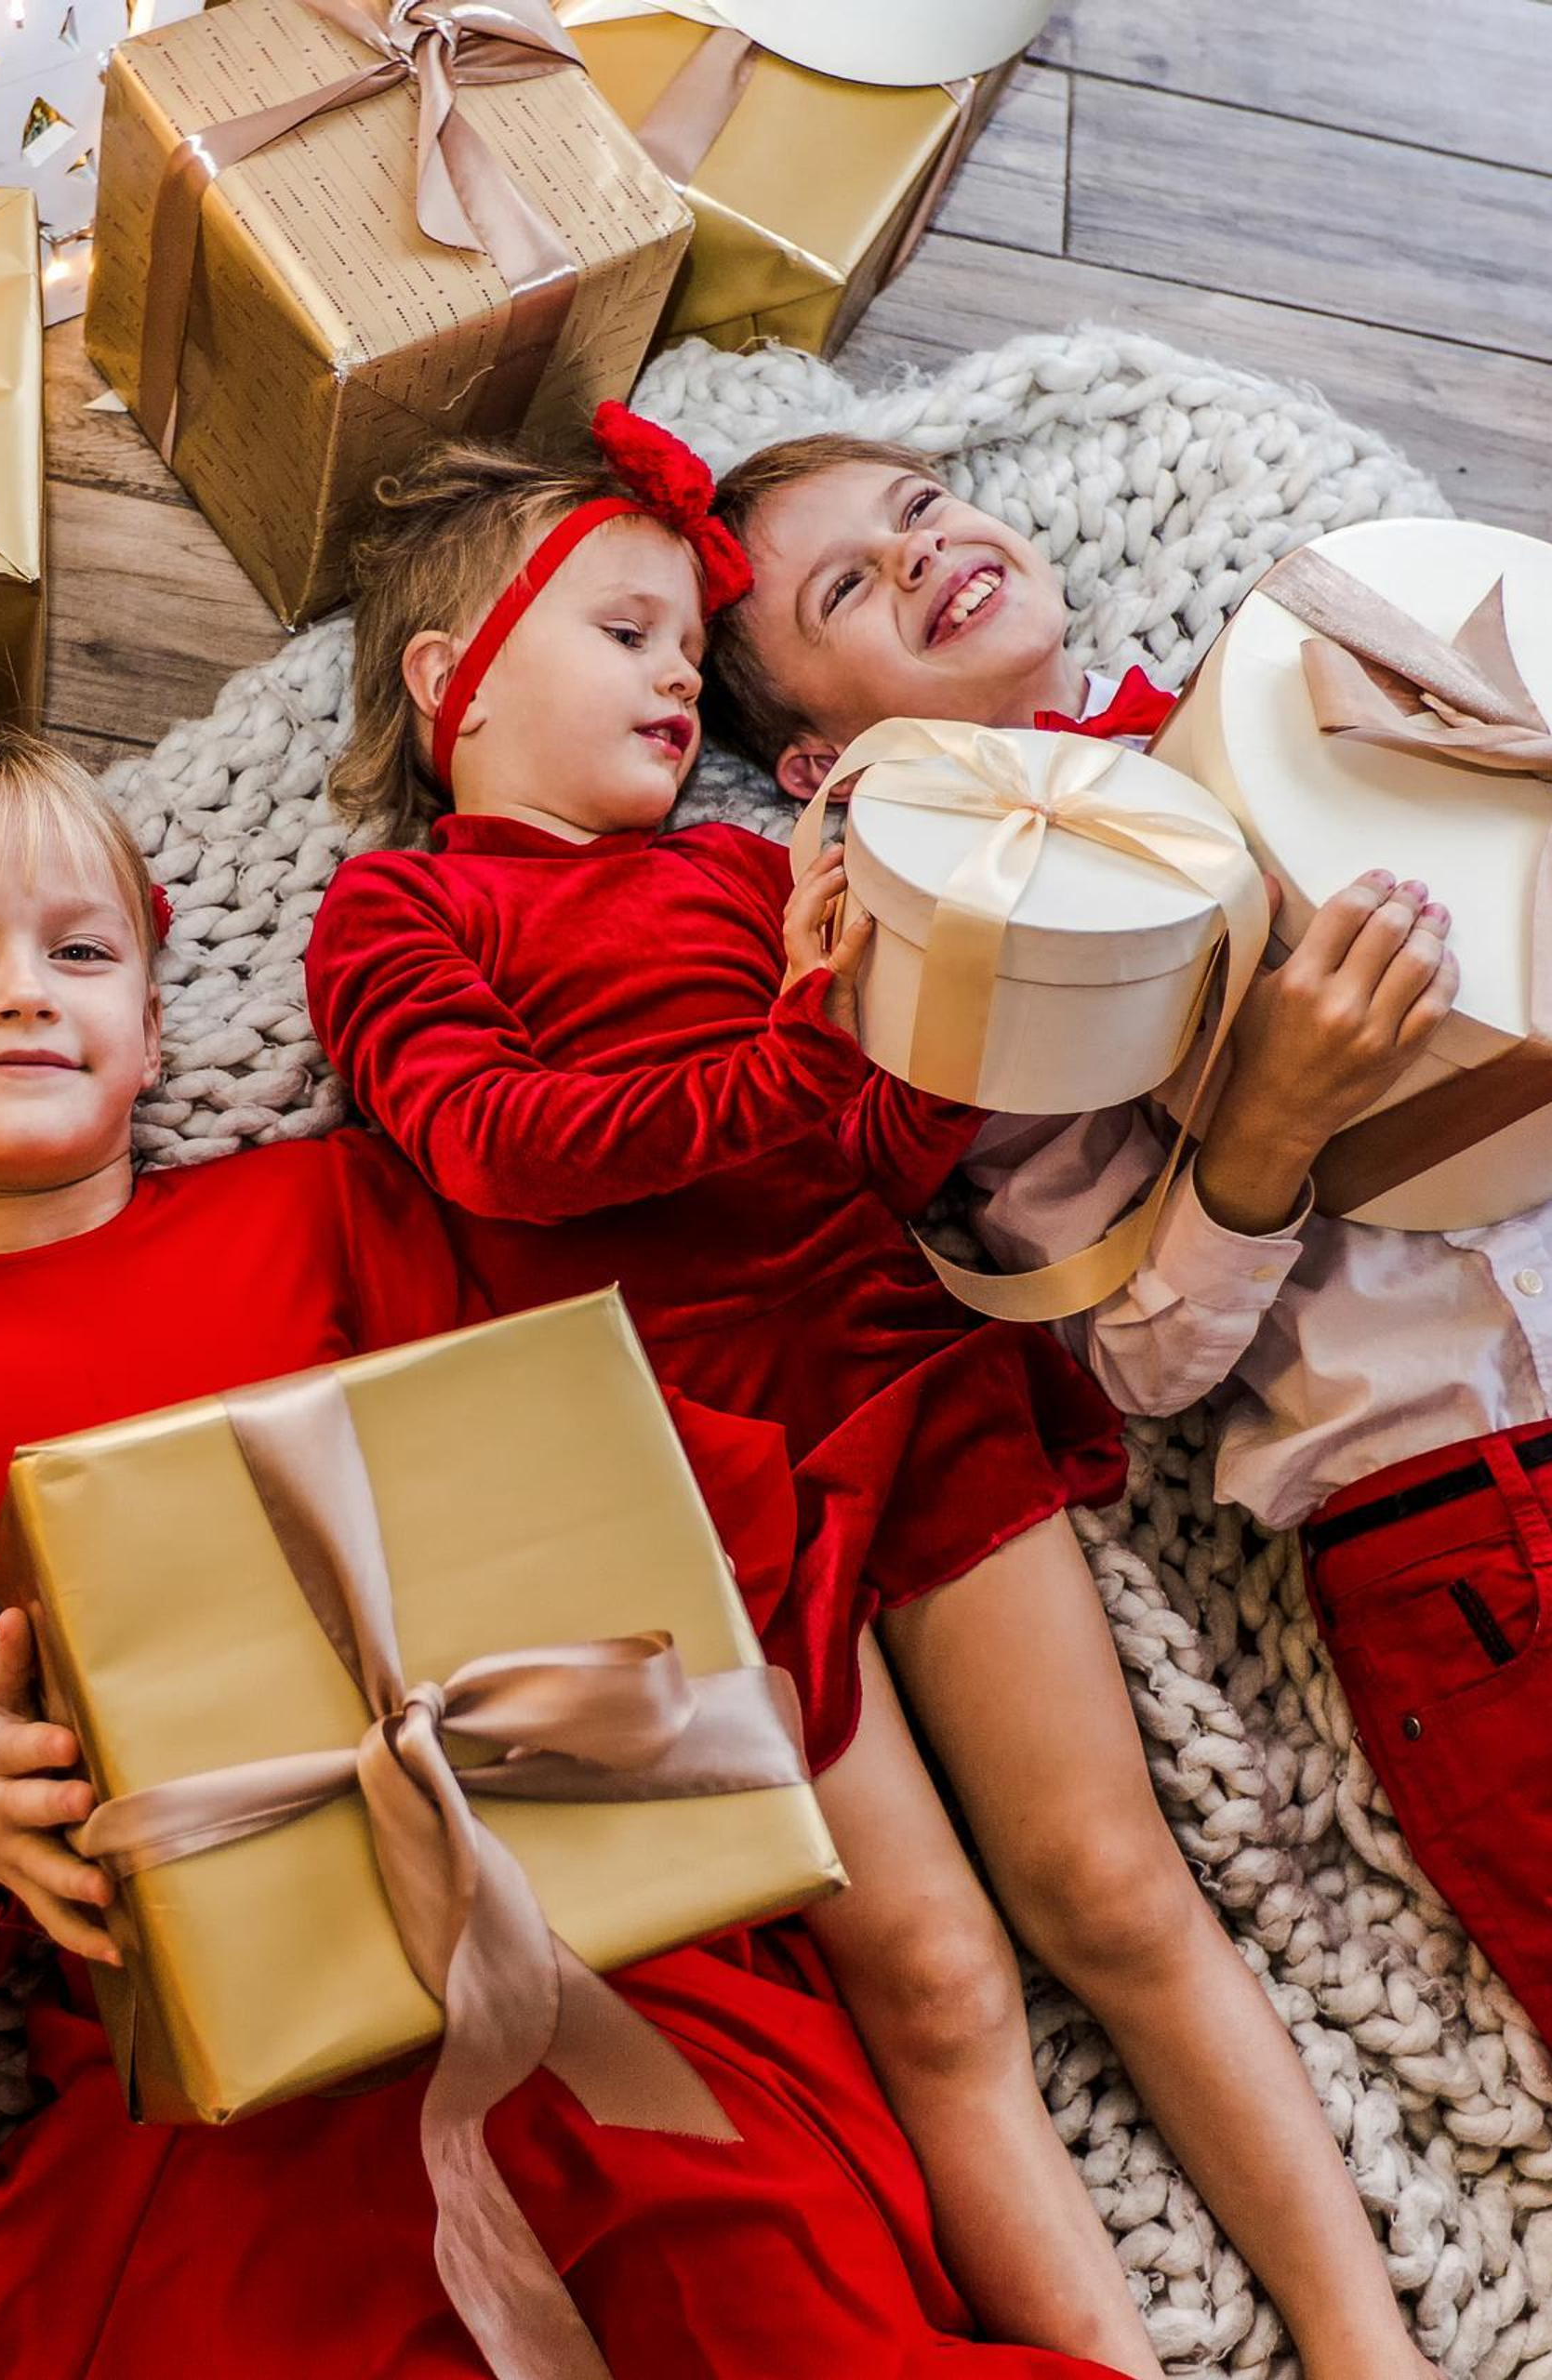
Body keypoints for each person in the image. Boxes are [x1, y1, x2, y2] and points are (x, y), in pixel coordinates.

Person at [0, 714, 1132, 2380]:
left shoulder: (332, 1206)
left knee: (765, 2286)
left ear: (152, 1029)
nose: (24, 990)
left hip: (565, 1929)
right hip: (238, 2054)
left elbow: (581, 1467)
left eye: (78, 952)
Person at [704, 430, 1464, 2380]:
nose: (923, 548)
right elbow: (1132, 1361)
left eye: (921, 502)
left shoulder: (1280, 700)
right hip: (1457, 1486)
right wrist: (1267, 1127)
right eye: (846, 591)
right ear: (819, 774)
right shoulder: (966, 982)